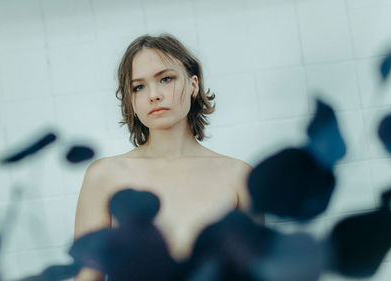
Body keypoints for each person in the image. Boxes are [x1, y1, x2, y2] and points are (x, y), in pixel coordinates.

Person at [73, 33, 263, 281]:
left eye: (165, 79)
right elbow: (87, 277)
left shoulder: (239, 176)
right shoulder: (104, 176)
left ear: (193, 85)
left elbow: (256, 271)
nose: (154, 94)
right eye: (138, 86)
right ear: (131, 100)